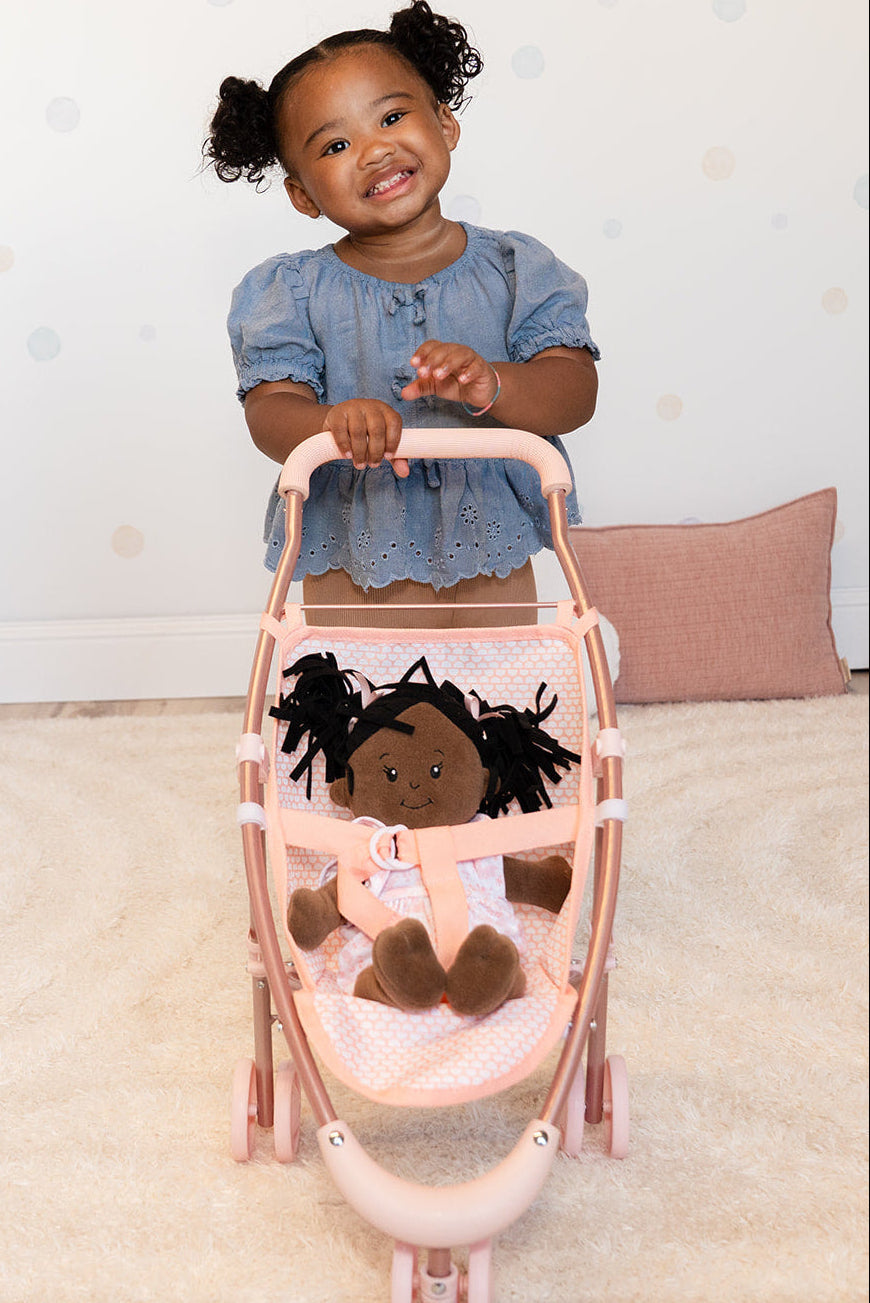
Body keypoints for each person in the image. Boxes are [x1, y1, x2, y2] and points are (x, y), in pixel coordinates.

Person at [204, 0, 599, 627]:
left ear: (445, 123)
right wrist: (330, 422)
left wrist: (495, 382)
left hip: (490, 547)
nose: (374, 150)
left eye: (392, 117)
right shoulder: (291, 290)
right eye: (336, 144)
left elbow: (573, 395)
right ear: (302, 194)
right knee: (363, 685)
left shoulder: (515, 267)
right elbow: (269, 412)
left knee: (496, 682)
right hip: (354, 550)